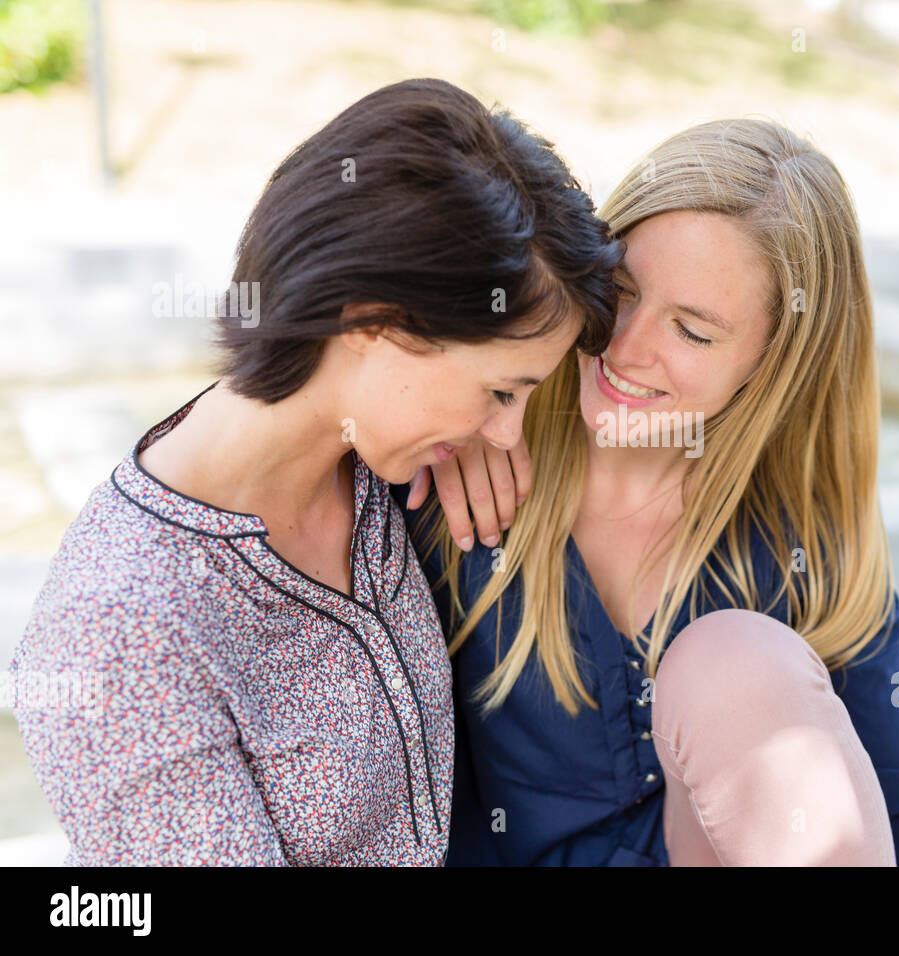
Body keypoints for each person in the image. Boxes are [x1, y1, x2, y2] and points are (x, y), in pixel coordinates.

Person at [9, 78, 621, 865]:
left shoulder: (380, 463)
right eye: (501, 392)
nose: (507, 433)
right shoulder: (119, 637)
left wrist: (455, 417)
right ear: (373, 322)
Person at [404, 118, 899, 866]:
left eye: (693, 331)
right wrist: (450, 413)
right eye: (621, 290)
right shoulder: (460, 475)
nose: (627, 344)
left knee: (738, 663)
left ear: (775, 360)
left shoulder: (802, 540)